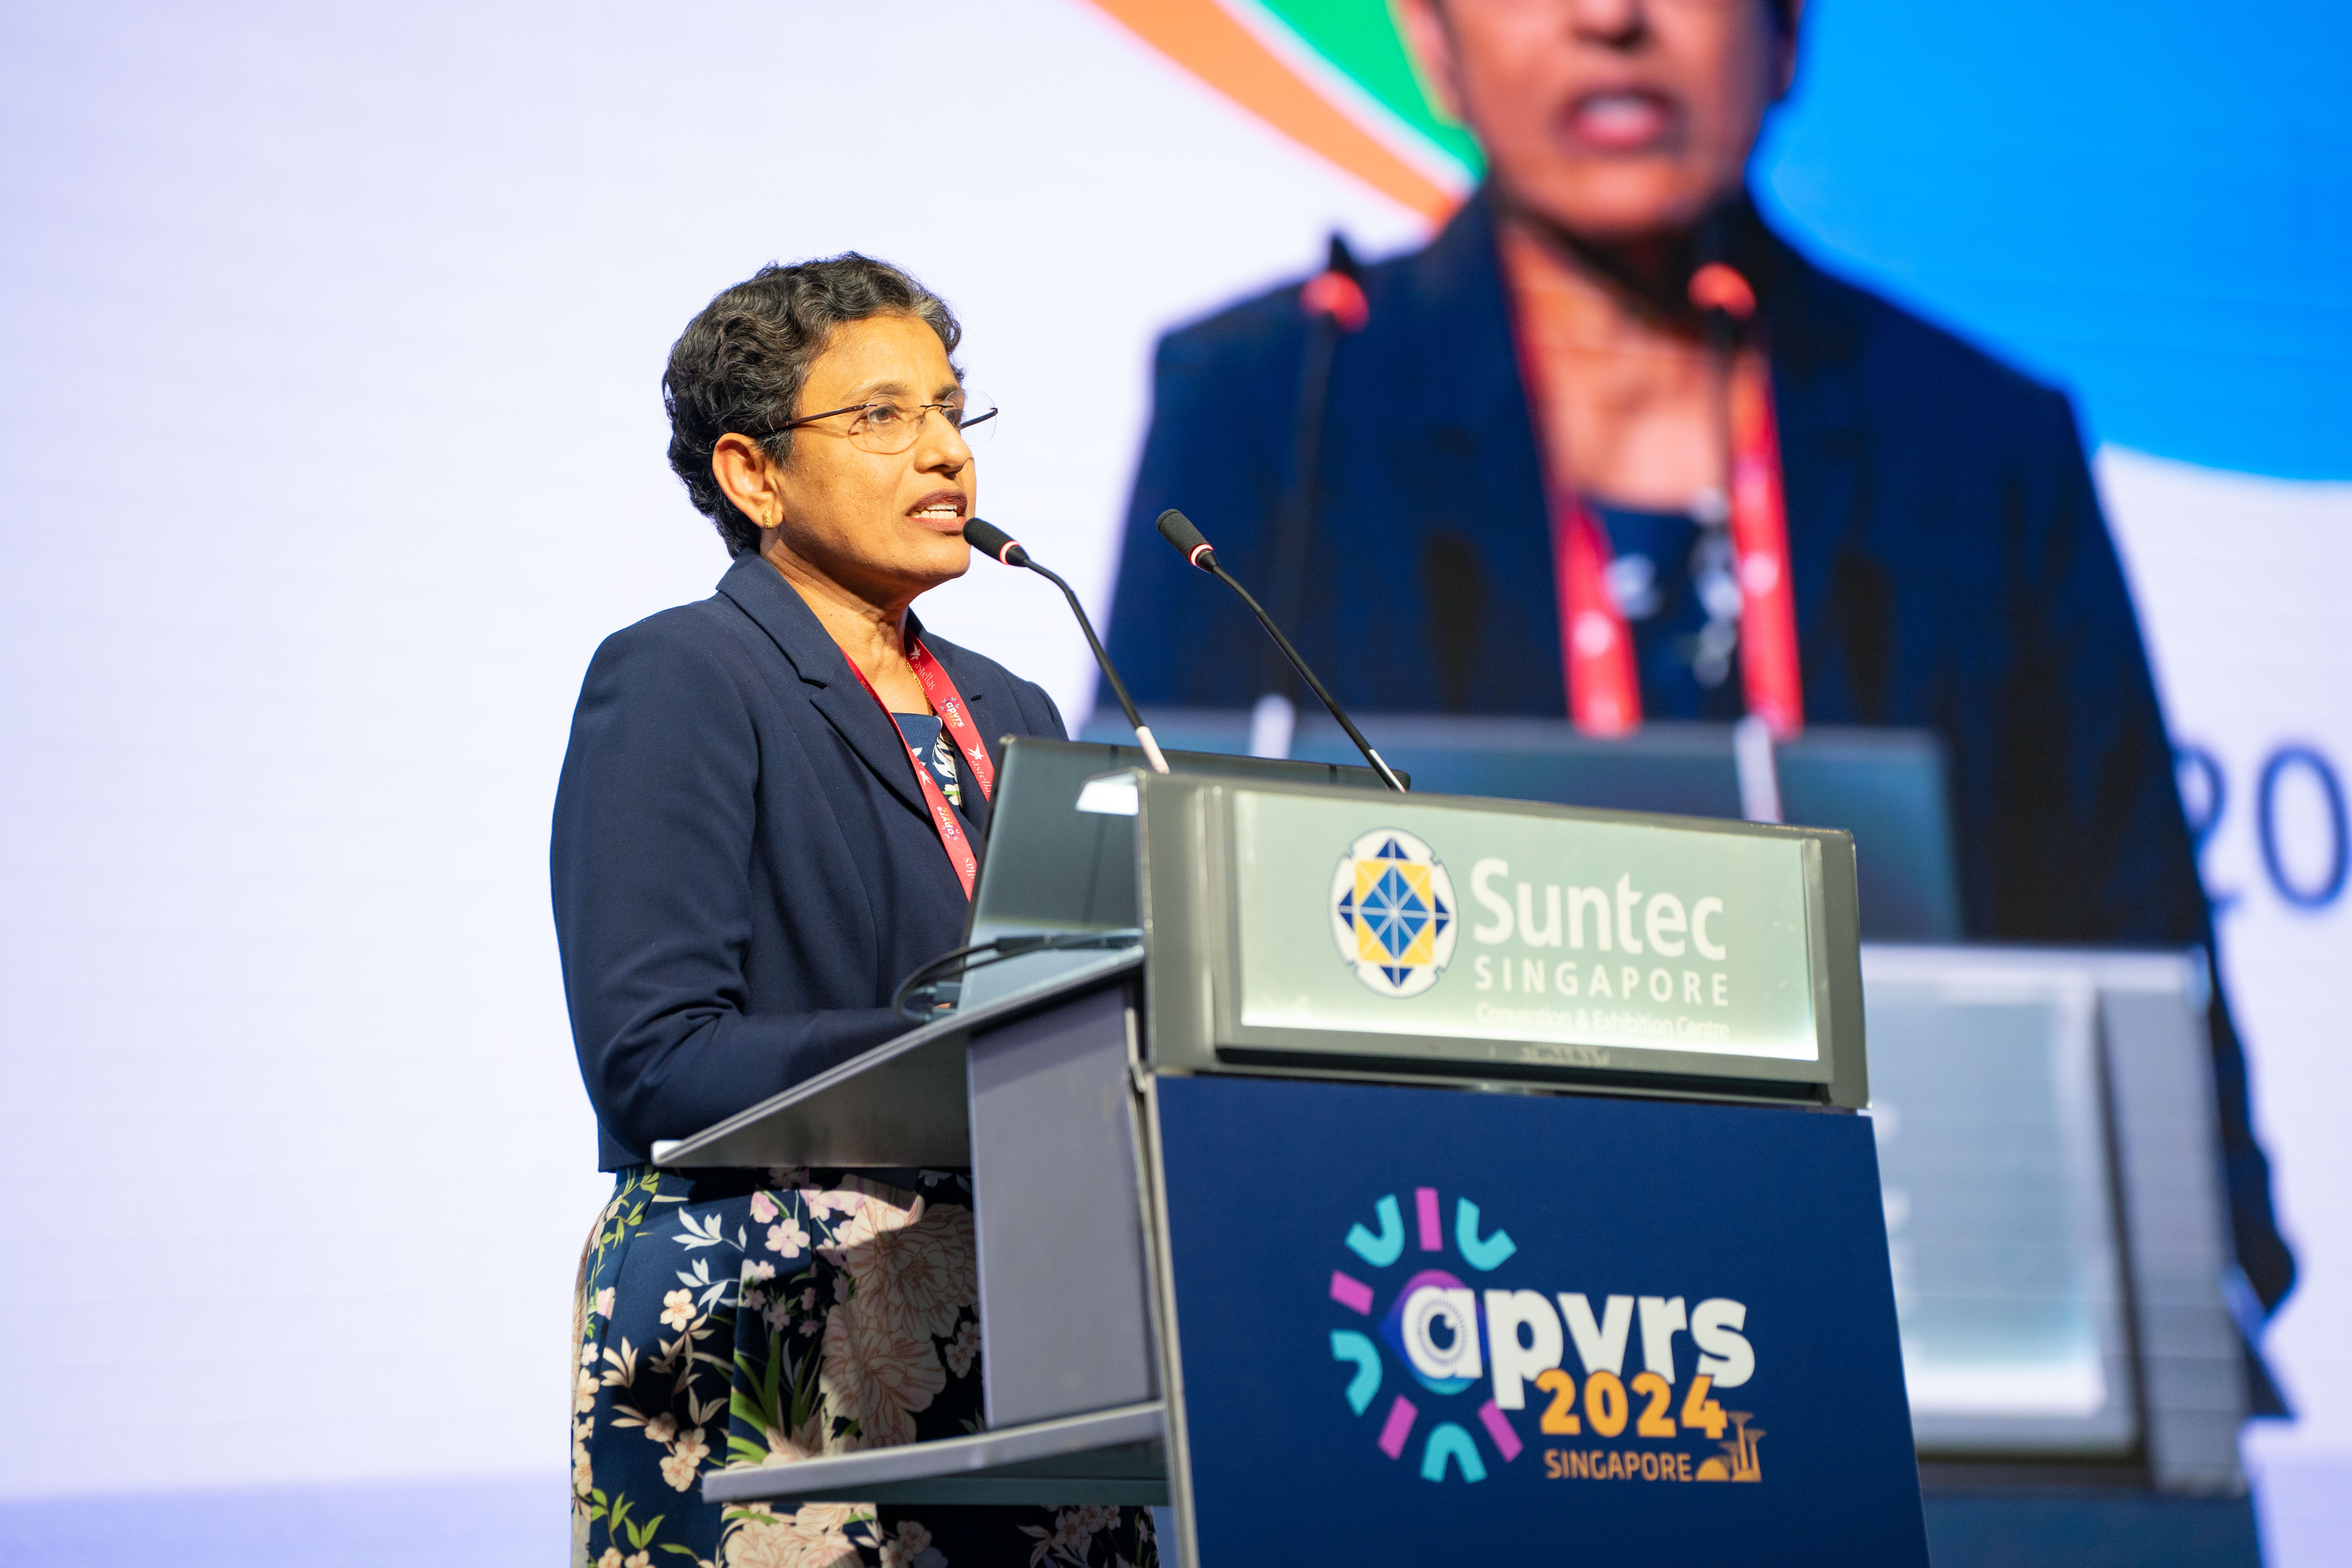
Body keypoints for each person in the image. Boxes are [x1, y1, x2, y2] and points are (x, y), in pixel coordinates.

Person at [1100, 0, 2295, 1325]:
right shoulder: (1278, 407)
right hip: (1415, 1305)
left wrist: (2196, 1305)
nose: (1612, 20)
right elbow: (1133, 935)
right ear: (1430, 41)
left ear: (1788, 39)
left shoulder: (1978, 441)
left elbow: (2132, 937)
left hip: (1909, 1297)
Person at [553, 256, 1156, 1566]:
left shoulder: (1011, 710)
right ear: (754, 474)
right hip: (777, 1321)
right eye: (882, 416)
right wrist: (951, 1042)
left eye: (951, 410)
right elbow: (655, 1057)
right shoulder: (681, 677)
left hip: (1032, 1314)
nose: (943, 451)